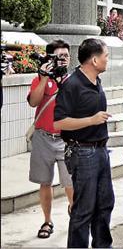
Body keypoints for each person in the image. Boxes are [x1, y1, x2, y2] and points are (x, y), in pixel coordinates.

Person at [53, 38, 114, 248]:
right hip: (82, 152)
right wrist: (92, 120)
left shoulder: (96, 80)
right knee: (84, 210)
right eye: (106, 56)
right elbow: (59, 121)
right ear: (95, 60)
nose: (108, 60)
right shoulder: (72, 84)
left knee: (105, 204)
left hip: (100, 150)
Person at [27, 39, 74, 239]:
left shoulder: (74, 79)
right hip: (43, 138)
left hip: (66, 139)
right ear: (49, 58)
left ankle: (76, 217)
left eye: (66, 56)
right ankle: (47, 221)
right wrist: (45, 78)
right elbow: (33, 102)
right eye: (58, 56)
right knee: (45, 182)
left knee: (71, 183)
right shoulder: (40, 79)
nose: (63, 60)